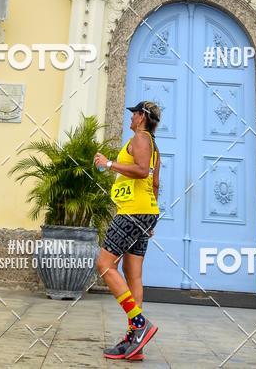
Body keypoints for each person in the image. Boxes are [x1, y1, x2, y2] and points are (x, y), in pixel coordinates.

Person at [94, 101, 162, 361]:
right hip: (144, 211)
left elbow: (142, 171)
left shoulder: (140, 139)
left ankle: (139, 322)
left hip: (132, 212)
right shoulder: (154, 145)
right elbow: (154, 183)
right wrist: (151, 219)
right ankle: (136, 343)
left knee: (104, 264)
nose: (131, 117)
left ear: (142, 116)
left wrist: (108, 164)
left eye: (134, 113)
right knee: (133, 274)